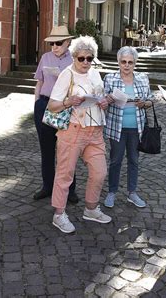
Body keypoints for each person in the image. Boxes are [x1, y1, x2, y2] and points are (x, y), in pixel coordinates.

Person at [47, 35, 111, 234]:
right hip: (73, 131)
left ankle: (91, 209)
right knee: (65, 174)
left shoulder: (95, 74)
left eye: (89, 58)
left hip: (96, 131)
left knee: (100, 172)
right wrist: (69, 101)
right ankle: (59, 214)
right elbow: (52, 105)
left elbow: (98, 99)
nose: (85, 62)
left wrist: (104, 102)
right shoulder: (68, 74)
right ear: (73, 57)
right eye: (81, 58)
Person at [103, 46, 153, 209]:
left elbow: (151, 99)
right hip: (116, 127)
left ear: (135, 63)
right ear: (118, 62)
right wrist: (108, 99)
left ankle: (132, 192)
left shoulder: (143, 78)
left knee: (134, 160)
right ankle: (112, 192)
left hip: (136, 127)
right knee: (115, 160)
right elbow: (102, 102)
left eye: (130, 62)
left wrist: (144, 103)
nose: (126, 65)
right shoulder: (110, 78)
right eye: (123, 62)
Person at [33, 25, 78, 204]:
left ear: (68, 42)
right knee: (47, 149)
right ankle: (47, 186)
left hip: (64, 106)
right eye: (52, 43)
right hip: (44, 103)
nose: (54, 46)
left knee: (67, 150)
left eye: (58, 43)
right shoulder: (45, 57)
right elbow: (39, 82)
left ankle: (70, 189)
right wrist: (36, 103)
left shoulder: (74, 61)